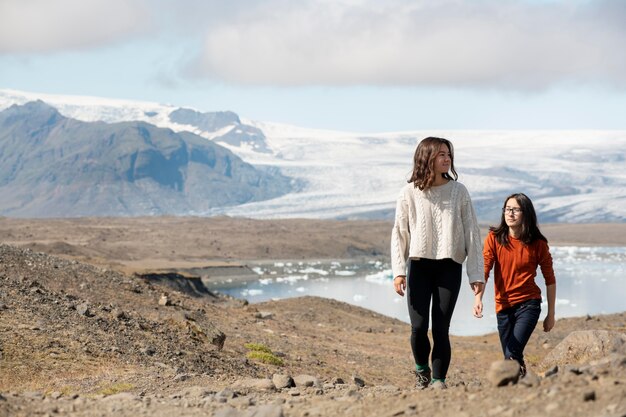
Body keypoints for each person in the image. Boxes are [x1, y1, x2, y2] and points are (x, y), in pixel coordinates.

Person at [391, 137, 484, 390]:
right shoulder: (409, 192)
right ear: (427, 157)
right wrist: (399, 271)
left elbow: (472, 234)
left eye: (449, 154)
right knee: (419, 327)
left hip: (448, 267)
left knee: (441, 328)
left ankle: (438, 381)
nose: (447, 159)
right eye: (441, 154)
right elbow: (400, 233)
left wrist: (476, 275)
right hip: (419, 266)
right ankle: (422, 369)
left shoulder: (459, 192)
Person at [474, 193, 556, 377]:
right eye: (507, 209)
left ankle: (513, 387)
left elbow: (550, 279)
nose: (510, 213)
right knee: (511, 356)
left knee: (512, 353)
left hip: (528, 304)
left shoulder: (538, 243)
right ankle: (524, 385)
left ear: (525, 213)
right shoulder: (494, 238)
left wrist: (551, 314)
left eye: (515, 210)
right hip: (503, 307)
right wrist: (477, 298)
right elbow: (485, 270)